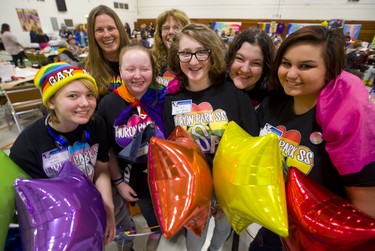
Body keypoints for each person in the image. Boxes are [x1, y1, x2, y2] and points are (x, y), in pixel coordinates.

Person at [252, 25, 375, 250]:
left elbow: (365, 212)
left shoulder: (345, 122)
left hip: (313, 240)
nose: (291, 74)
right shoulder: (273, 103)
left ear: (330, 70)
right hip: (272, 227)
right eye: (286, 63)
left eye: (306, 66)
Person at [164, 23, 259, 251]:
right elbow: (172, 148)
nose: (193, 61)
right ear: (177, 57)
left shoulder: (233, 93)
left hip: (228, 185)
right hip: (193, 188)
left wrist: (230, 194)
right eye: (186, 53)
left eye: (201, 52)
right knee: (195, 238)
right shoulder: (171, 99)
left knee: (222, 231)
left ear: (212, 54)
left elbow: (250, 144)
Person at [8, 62, 116, 246]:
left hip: (90, 203)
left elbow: (101, 166)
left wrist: (108, 209)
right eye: (73, 96)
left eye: (90, 95)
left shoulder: (96, 124)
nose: (85, 103)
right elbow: (29, 205)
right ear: (51, 102)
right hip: (55, 221)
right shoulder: (27, 146)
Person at [98, 45, 165, 251]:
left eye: (144, 69)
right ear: (120, 71)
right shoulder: (108, 104)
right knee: (154, 224)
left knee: (170, 224)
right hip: (135, 182)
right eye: (130, 69)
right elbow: (107, 150)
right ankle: (154, 237)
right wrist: (118, 183)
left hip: (167, 179)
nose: (137, 75)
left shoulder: (164, 98)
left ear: (153, 70)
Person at [85, 5, 131, 98]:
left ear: (119, 30)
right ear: (92, 35)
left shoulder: (138, 59)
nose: (106, 35)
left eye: (111, 28)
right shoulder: (87, 71)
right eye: (99, 30)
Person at [226, 27, 276, 108]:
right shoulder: (215, 88)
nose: (245, 69)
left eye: (256, 63)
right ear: (230, 58)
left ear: (265, 68)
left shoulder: (271, 101)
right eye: (240, 59)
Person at [152, 8, 190, 87]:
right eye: (166, 28)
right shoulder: (152, 60)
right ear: (160, 33)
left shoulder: (194, 61)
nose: (171, 32)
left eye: (176, 28)